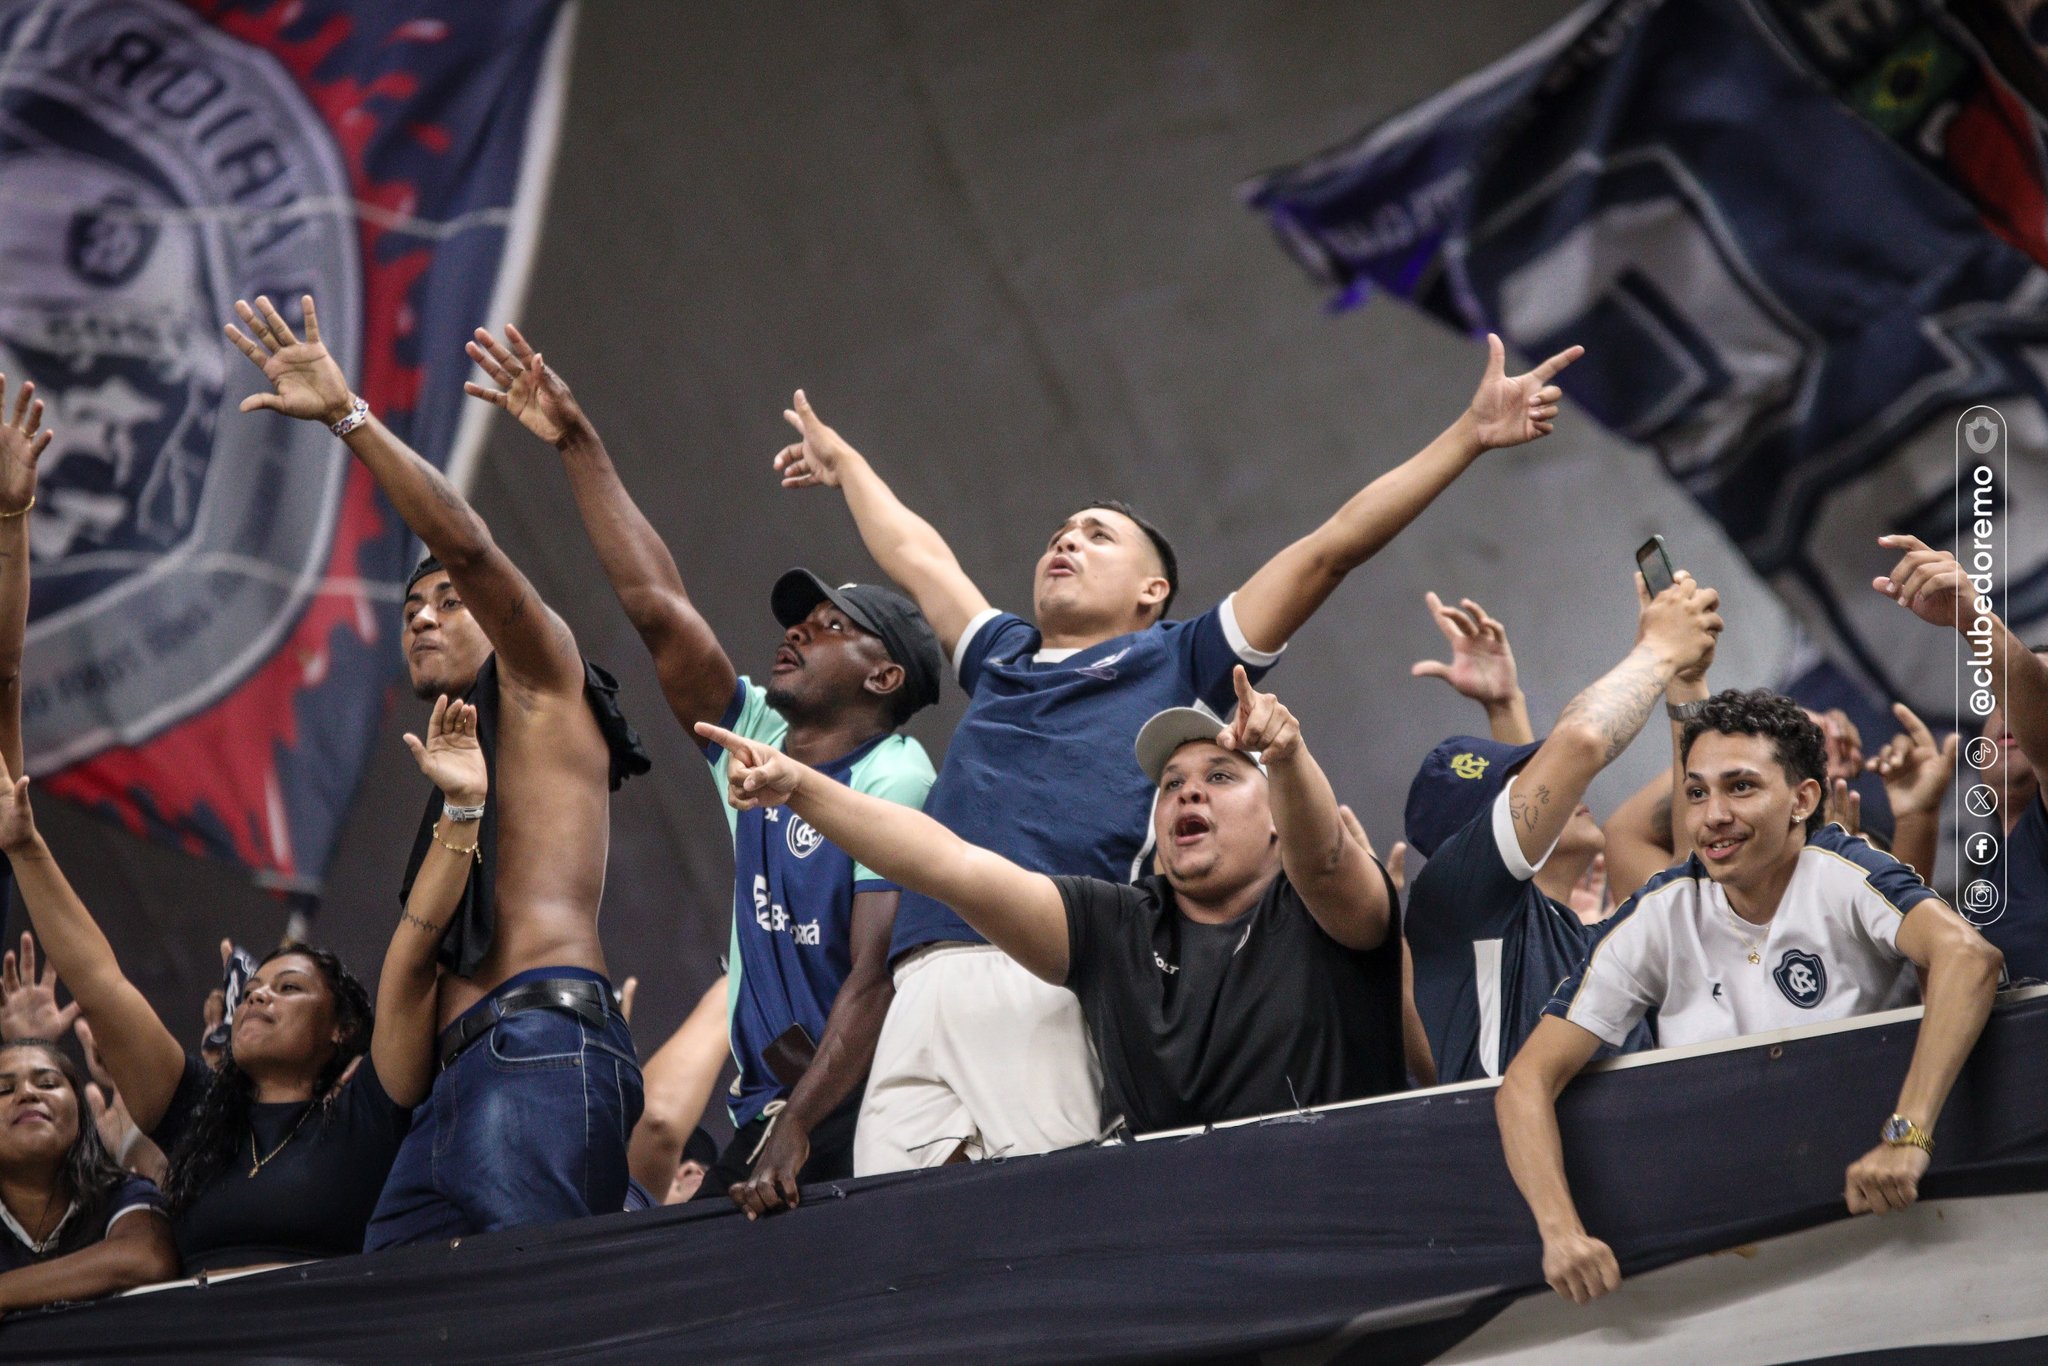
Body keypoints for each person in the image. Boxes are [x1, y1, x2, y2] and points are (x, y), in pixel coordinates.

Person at [775, 335, 1584, 1170]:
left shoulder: (1184, 661)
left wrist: (1468, 435)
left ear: (1152, 591)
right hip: (917, 973)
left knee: (1045, 1219)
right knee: (899, 1230)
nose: (1065, 543)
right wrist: (848, 466)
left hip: (1046, 966)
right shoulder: (1003, 656)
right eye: (1059, 535)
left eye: (1096, 536)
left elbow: (1331, 548)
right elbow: (918, 555)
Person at [461, 330, 939, 1216]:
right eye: (798, 621)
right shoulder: (756, 741)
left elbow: (874, 980)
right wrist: (575, 442)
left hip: (859, 1105)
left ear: (885, 678)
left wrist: (799, 1126)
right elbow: (660, 611)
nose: (796, 631)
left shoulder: (895, 777)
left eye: (831, 627)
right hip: (774, 1108)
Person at [221, 296, 651, 1246]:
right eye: (411, 608)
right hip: (452, 1085)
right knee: (398, 1298)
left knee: (536, 1306)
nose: (421, 616)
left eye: (449, 603)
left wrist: (348, 417)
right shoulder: (459, 765)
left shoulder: (543, 680)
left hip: (537, 1047)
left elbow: (468, 543)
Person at [700, 665, 1407, 1137]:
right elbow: (951, 864)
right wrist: (802, 787)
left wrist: (1286, 755)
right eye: (1170, 784)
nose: (1188, 790)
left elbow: (1326, 859)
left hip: (1339, 1230)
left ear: (1279, 817)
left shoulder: (1323, 911)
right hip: (1178, 1256)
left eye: (1221, 776)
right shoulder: (1120, 924)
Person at [1497, 689, 2005, 1304]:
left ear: (1803, 800)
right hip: (1728, 1257)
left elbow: (1969, 957)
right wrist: (1560, 1233)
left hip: (1887, 1231)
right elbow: (1526, 1081)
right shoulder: (1662, 911)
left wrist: (1907, 1135)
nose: (1712, 815)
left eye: (1741, 787)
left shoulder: (1842, 870)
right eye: (1696, 792)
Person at [0, 697, 484, 1273]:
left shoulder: (368, 1117)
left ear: (341, 1029)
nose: (257, 995)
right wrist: (25, 848)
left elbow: (413, 948)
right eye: (254, 987)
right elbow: (99, 984)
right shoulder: (195, 1116)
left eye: (289, 988)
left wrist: (462, 808)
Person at [1403, 572, 1722, 1083]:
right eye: (1521, 786)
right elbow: (1580, 743)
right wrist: (1661, 650)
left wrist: (1686, 683)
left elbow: (1697, 877)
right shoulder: (1455, 903)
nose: (1563, 790)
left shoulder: (1590, 939)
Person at [1873, 534, 2048, 980]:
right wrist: (1917, 820)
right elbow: (1928, 986)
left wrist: (1972, 619)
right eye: (1999, 699)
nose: (2008, 713)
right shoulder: (1984, 877)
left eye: (2026, 699)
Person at [0, 1040, 176, 1315]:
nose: (27, 1094)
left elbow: (148, 1257)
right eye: (4, 1090)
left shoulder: (122, 1193)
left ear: (81, 1112)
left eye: (47, 1084)